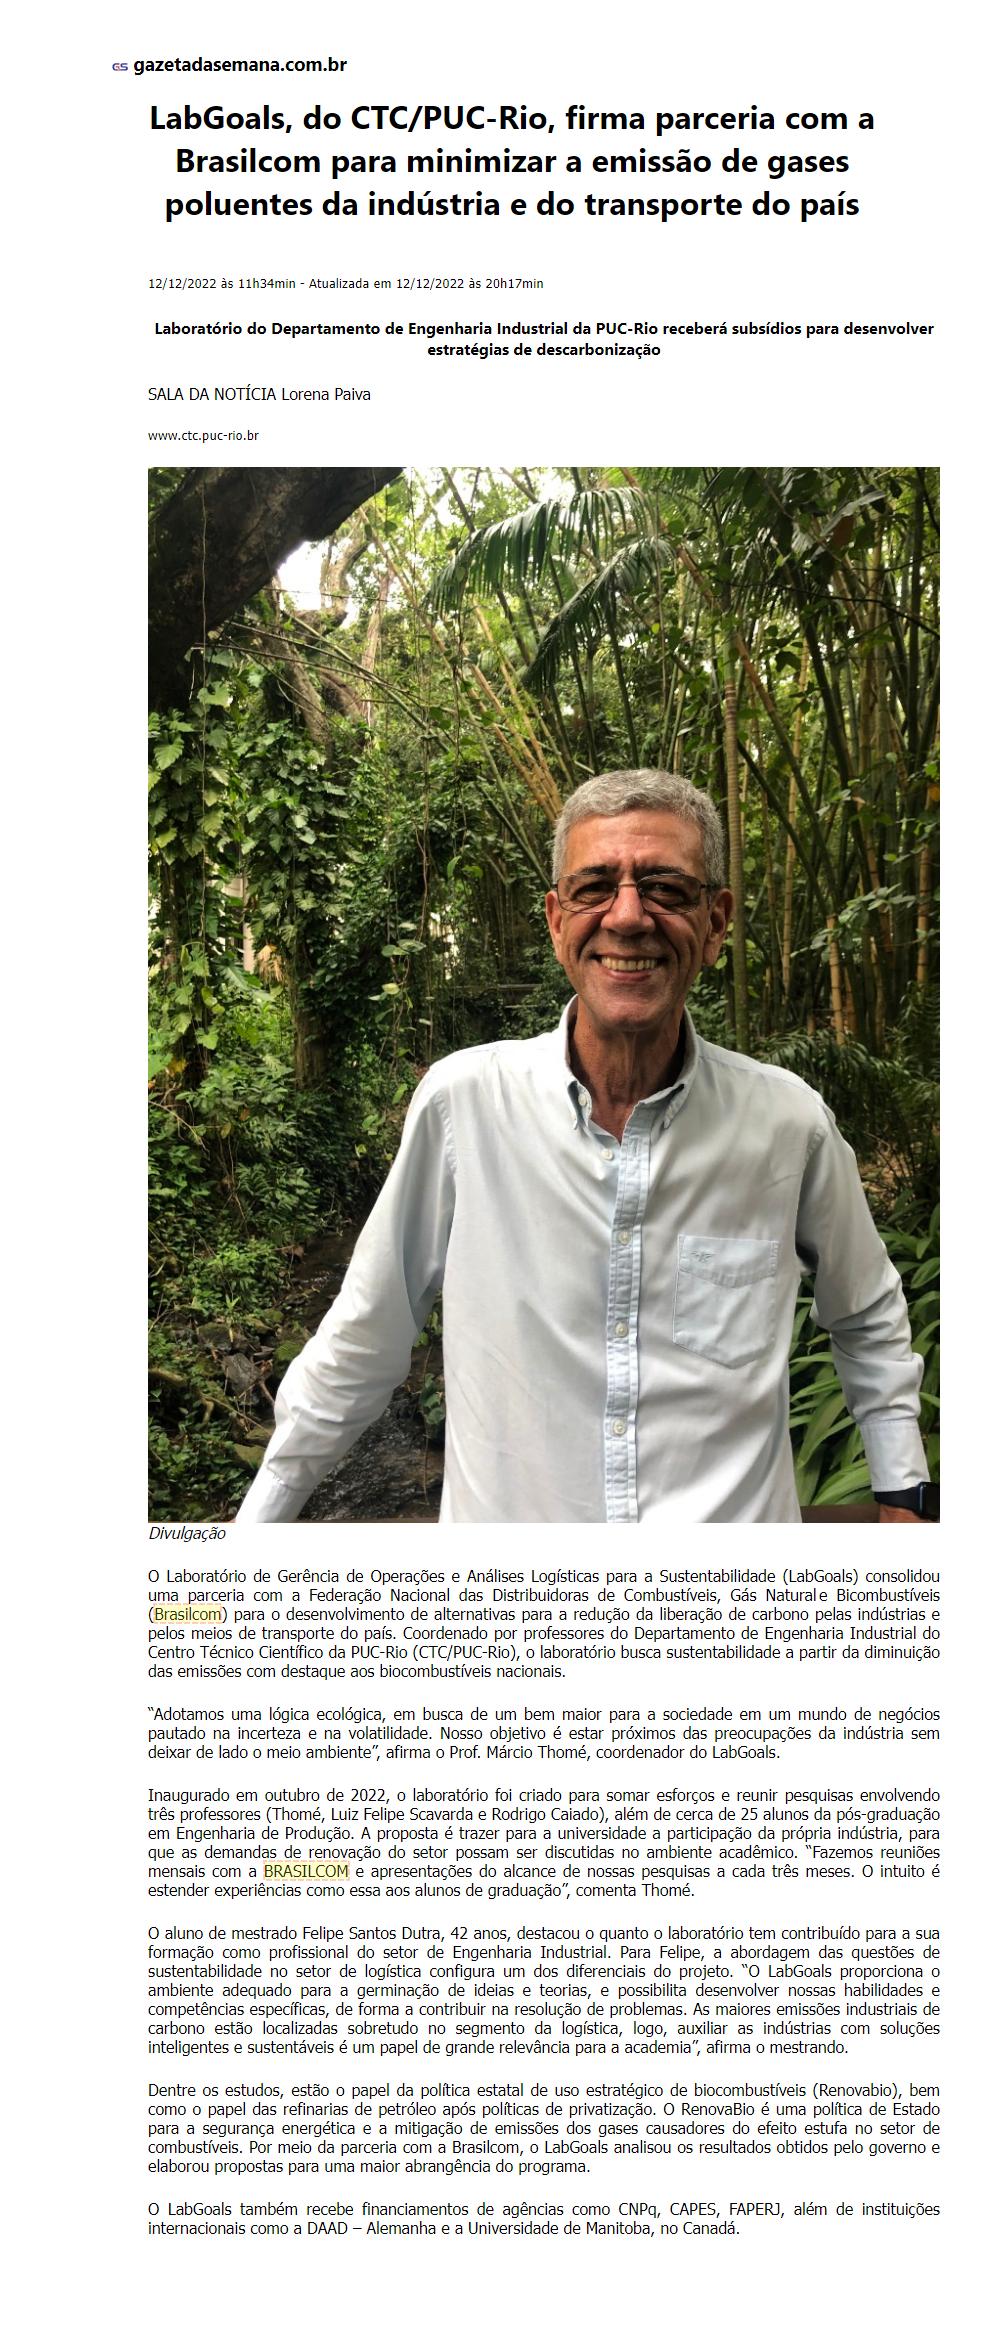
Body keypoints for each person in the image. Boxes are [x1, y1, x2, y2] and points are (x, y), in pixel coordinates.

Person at [236, 771, 934, 1525]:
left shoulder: (788, 1125)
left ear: (716, 922)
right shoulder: (464, 1106)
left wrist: (903, 1494)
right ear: (555, 920)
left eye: (665, 888)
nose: (627, 917)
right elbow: (367, 1333)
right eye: (594, 887)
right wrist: (256, 1527)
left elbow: (866, 1313)